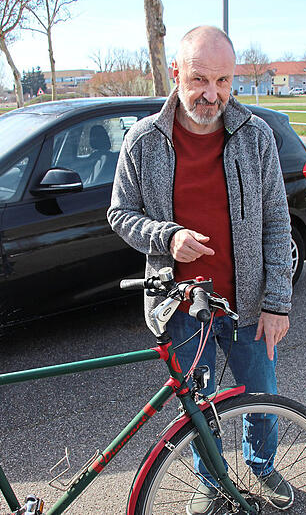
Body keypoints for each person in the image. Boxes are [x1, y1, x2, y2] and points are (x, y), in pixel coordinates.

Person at [107, 26, 294, 513]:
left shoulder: (256, 138)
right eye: (199, 79)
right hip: (183, 307)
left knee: (261, 397)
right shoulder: (143, 140)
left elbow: (277, 222)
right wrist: (167, 237)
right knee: (201, 407)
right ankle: (211, 484)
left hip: (249, 304)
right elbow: (120, 214)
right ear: (176, 74)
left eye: (224, 81)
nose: (212, 94)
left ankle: (262, 467)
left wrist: (277, 302)